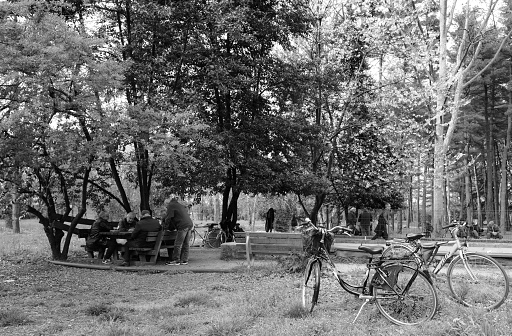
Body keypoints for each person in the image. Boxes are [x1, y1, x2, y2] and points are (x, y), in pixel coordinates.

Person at [164, 197, 194, 265]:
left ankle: (176, 260)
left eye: (165, 206)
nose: (166, 208)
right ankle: (184, 260)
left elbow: (168, 218)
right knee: (186, 244)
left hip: (182, 225)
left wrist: (165, 227)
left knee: (177, 244)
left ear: (167, 203)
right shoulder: (178, 205)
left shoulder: (171, 205)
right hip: (189, 224)